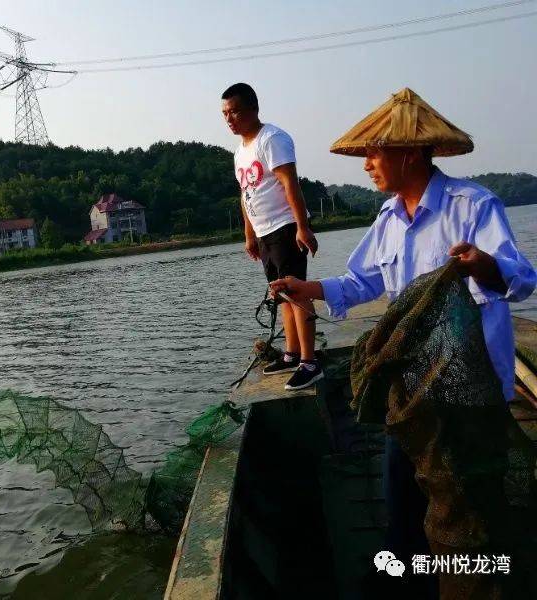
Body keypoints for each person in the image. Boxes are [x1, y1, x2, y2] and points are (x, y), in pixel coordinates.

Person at [268, 87, 536, 594]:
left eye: (374, 152)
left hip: (471, 402)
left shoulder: (473, 206)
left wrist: (485, 265)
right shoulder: (388, 220)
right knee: (404, 521)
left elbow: (521, 279)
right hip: (412, 399)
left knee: (472, 517)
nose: (367, 164)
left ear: (408, 152)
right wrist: (309, 289)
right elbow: (359, 284)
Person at [221, 82, 322, 390]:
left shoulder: (272, 139)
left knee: (297, 292)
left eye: (235, 111)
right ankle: (291, 354)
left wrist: (302, 226)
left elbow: (290, 183)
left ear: (254, 108)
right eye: (225, 113)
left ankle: (310, 362)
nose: (230, 119)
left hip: (285, 227)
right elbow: (245, 194)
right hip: (264, 232)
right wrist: (249, 235)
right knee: (281, 295)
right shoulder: (240, 151)